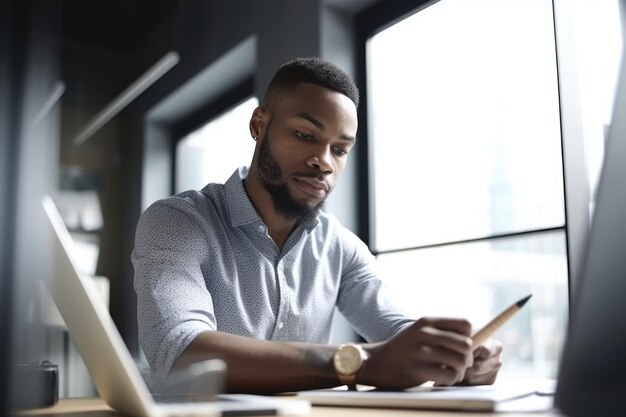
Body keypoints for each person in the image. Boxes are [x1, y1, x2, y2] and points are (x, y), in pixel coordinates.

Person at [132, 57, 502, 394]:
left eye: (339, 149)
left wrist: (452, 356)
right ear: (259, 125)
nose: (324, 162)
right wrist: (359, 363)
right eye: (306, 136)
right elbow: (180, 351)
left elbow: (395, 333)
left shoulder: (340, 247)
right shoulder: (177, 222)